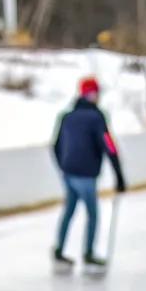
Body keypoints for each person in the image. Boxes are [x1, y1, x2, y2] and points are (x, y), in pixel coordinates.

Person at [52, 76, 126, 269]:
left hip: (68, 173)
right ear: (90, 94)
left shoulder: (66, 117)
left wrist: (64, 166)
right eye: (96, 93)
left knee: (69, 211)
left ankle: (59, 249)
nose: (97, 97)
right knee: (92, 214)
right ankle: (88, 253)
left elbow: (55, 146)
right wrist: (118, 174)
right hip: (85, 174)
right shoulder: (96, 117)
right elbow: (108, 144)